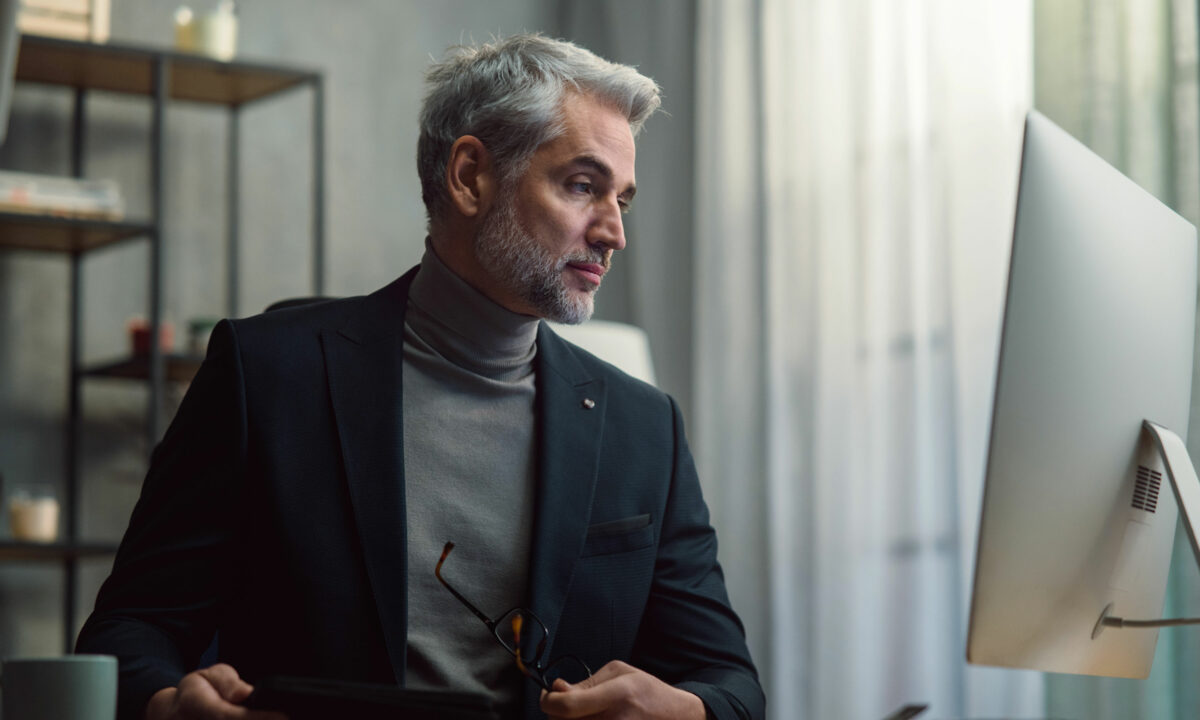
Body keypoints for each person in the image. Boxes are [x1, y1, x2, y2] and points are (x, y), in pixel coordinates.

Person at [76, 33, 764, 720]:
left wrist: (688, 712)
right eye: (583, 186)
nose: (613, 231)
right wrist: (170, 705)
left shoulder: (646, 429)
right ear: (470, 176)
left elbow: (732, 687)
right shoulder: (266, 376)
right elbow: (128, 635)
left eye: (624, 199)